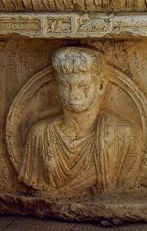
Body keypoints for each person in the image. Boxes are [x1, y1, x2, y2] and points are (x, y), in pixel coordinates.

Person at [19, 47, 140, 197]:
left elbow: (125, 192)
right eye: (66, 85)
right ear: (57, 85)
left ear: (101, 86)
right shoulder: (40, 133)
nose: (74, 94)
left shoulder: (123, 135)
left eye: (83, 86)